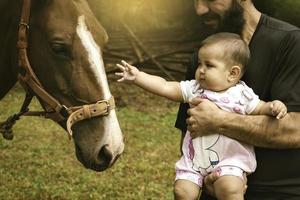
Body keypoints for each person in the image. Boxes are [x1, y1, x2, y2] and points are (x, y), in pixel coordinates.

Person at [115, 32, 287, 200]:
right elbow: (165, 86)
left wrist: (274, 106)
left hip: (229, 162)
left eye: (209, 65)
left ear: (233, 73)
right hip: (195, 161)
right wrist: (138, 77)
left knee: (230, 190)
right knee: (182, 191)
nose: (201, 70)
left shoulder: (241, 94)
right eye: (199, 64)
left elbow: (260, 108)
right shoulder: (195, 88)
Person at [175, 0, 300, 199]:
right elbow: (190, 133)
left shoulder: (291, 42)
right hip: (216, 189)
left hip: (282, 192)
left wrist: (219, 121)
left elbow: (296, 129)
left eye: (209, 0)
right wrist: (205, 179)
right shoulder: (203, 60)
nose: (199, 9)